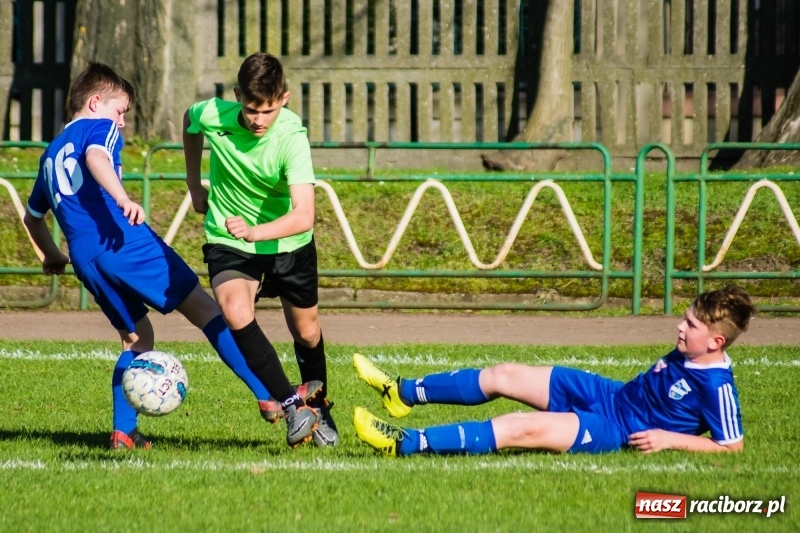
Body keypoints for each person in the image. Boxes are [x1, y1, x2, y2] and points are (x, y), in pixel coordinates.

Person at [23, 62, 322, 451]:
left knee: (136, 339)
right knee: (207, 311)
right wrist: (122, 198)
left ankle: (123, 432)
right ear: (96, 102)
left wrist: (53, 256)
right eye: (121, 112)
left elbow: (32, 217)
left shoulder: (49, 155)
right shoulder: (98, 127)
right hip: (125, 242)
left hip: (85, 257)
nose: (123, 123)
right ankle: (267, 393)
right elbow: (98, 158)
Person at [353, 285, 755, 456]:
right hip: (610, 395)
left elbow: (732, 449)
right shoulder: (693, 350)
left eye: (691, 326)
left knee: (519, 427)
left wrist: (670, 439)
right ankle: (401, 392)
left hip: (618, 430)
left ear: (716, 342)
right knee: (504, 374)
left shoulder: (718, 386)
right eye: (684, 319)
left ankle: (404, 443)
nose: (680, 328)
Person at [182, 52, 337, 447]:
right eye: (251, 109)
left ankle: (319, 407)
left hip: (287, 243)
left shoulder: (291, 138)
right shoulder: (214, 114)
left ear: (283, 99)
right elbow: (189, 120)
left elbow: (304, 216)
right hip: (229, 237)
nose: (258, 120)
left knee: (306, 331)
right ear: (237, 96)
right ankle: (291, 406)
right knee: (235, 311)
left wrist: (256, 230)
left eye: (267, 110)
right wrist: (194, 183)